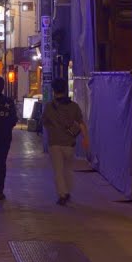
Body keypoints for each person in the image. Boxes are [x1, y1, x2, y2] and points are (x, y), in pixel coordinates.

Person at [42, 78, 88, 206]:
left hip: (55, 143)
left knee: (58, 171)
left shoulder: (49, 107)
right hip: (70, 143)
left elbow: (44, 123)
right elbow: (81, 124)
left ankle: (63, 194)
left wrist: (53, 128)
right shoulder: (74, 106)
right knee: (67, 169)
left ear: (54, 90)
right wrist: (85, 139)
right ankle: (67, 190)